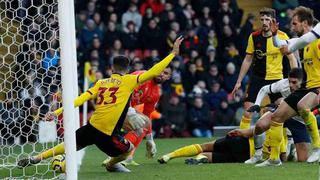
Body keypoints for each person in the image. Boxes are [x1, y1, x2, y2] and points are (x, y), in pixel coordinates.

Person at [17, 37, 184, 172]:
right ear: (127, 69)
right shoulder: (130, 80)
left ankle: (37, 158)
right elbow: (154, 71)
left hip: (92, 126)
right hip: (107, 135)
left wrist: (57, 112)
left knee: (71, 144)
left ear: (112, 68)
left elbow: (80, 99)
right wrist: (172, 54)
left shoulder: (101, 82)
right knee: (127, 149)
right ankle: (112, 165)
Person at [232, 7, 320, 166]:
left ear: (305, 23)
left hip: (315, 88)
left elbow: (296, 46)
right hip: (305, 89)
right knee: (277, 117)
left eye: (295, 24)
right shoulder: (303, 42)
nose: (292, 27)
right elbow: (285, 45)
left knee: (302, 107)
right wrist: (273, 35)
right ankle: (273, 158)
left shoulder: (316, 41)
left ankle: (316, 147)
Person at [231, 7, 297, 131]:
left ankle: (283, 146)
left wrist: (295, 80)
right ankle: (243, 144)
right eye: (262, 19)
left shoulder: (282, 36)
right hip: (257, 79)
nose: (265, 22)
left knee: (280, 113)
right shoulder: (254, 36)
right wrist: (239, 81)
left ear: (273, 20)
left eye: (267, 19)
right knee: (247, 112)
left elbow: (292, 58)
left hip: (276, 79)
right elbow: (247, 59)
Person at [243, 68, 310, 164]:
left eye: (294, 82)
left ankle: (292, 148)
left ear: (302, 80)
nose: (291, 85)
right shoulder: (283, 84)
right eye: (289, 81)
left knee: (303, 159)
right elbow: (264, 89)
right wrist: (257, 104)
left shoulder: (310, 89)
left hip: (299, 121)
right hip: (281, 114)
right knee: (260, 125)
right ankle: (258, 154)